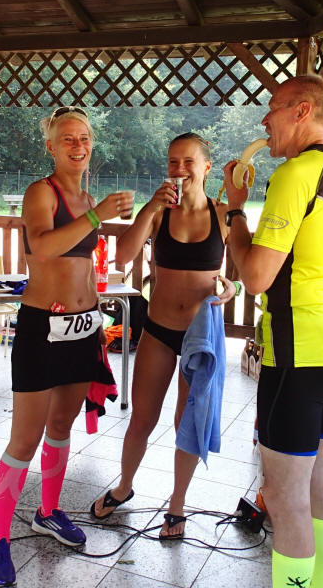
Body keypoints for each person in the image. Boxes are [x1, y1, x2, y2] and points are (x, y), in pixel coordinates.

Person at [224, 74, 323, 588]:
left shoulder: (294, 174)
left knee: (285, 497)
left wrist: (234, 210)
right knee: (321, 478)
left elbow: (256, 276)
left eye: (274, 107)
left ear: (303, 111)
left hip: (297, 353)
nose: (265, 120)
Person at [0, 106, 134, 587]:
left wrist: (95, 307)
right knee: (24, 438)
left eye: (84, 137)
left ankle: (48, 512)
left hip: (82, 328)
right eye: (67, 138)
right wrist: (96, 215)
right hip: (42, 328)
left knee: (62, 424)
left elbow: (82, 262)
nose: (77, 145)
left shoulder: (87, 197)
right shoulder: (41, 192)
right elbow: (43, 248)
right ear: (51, 146)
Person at [89, 133, 236, 539]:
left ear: (206, 167)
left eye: (189, 161)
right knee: (142, 418)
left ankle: (177, 506)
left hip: (199, 335)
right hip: (158, 330)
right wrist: (152, 206)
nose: (180, 169)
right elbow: (122, 256)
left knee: (185, 420)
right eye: (173, 162)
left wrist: (233, 287)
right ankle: (124, 486)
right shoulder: (158, 212)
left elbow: (244, 272)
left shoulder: (224, 215)